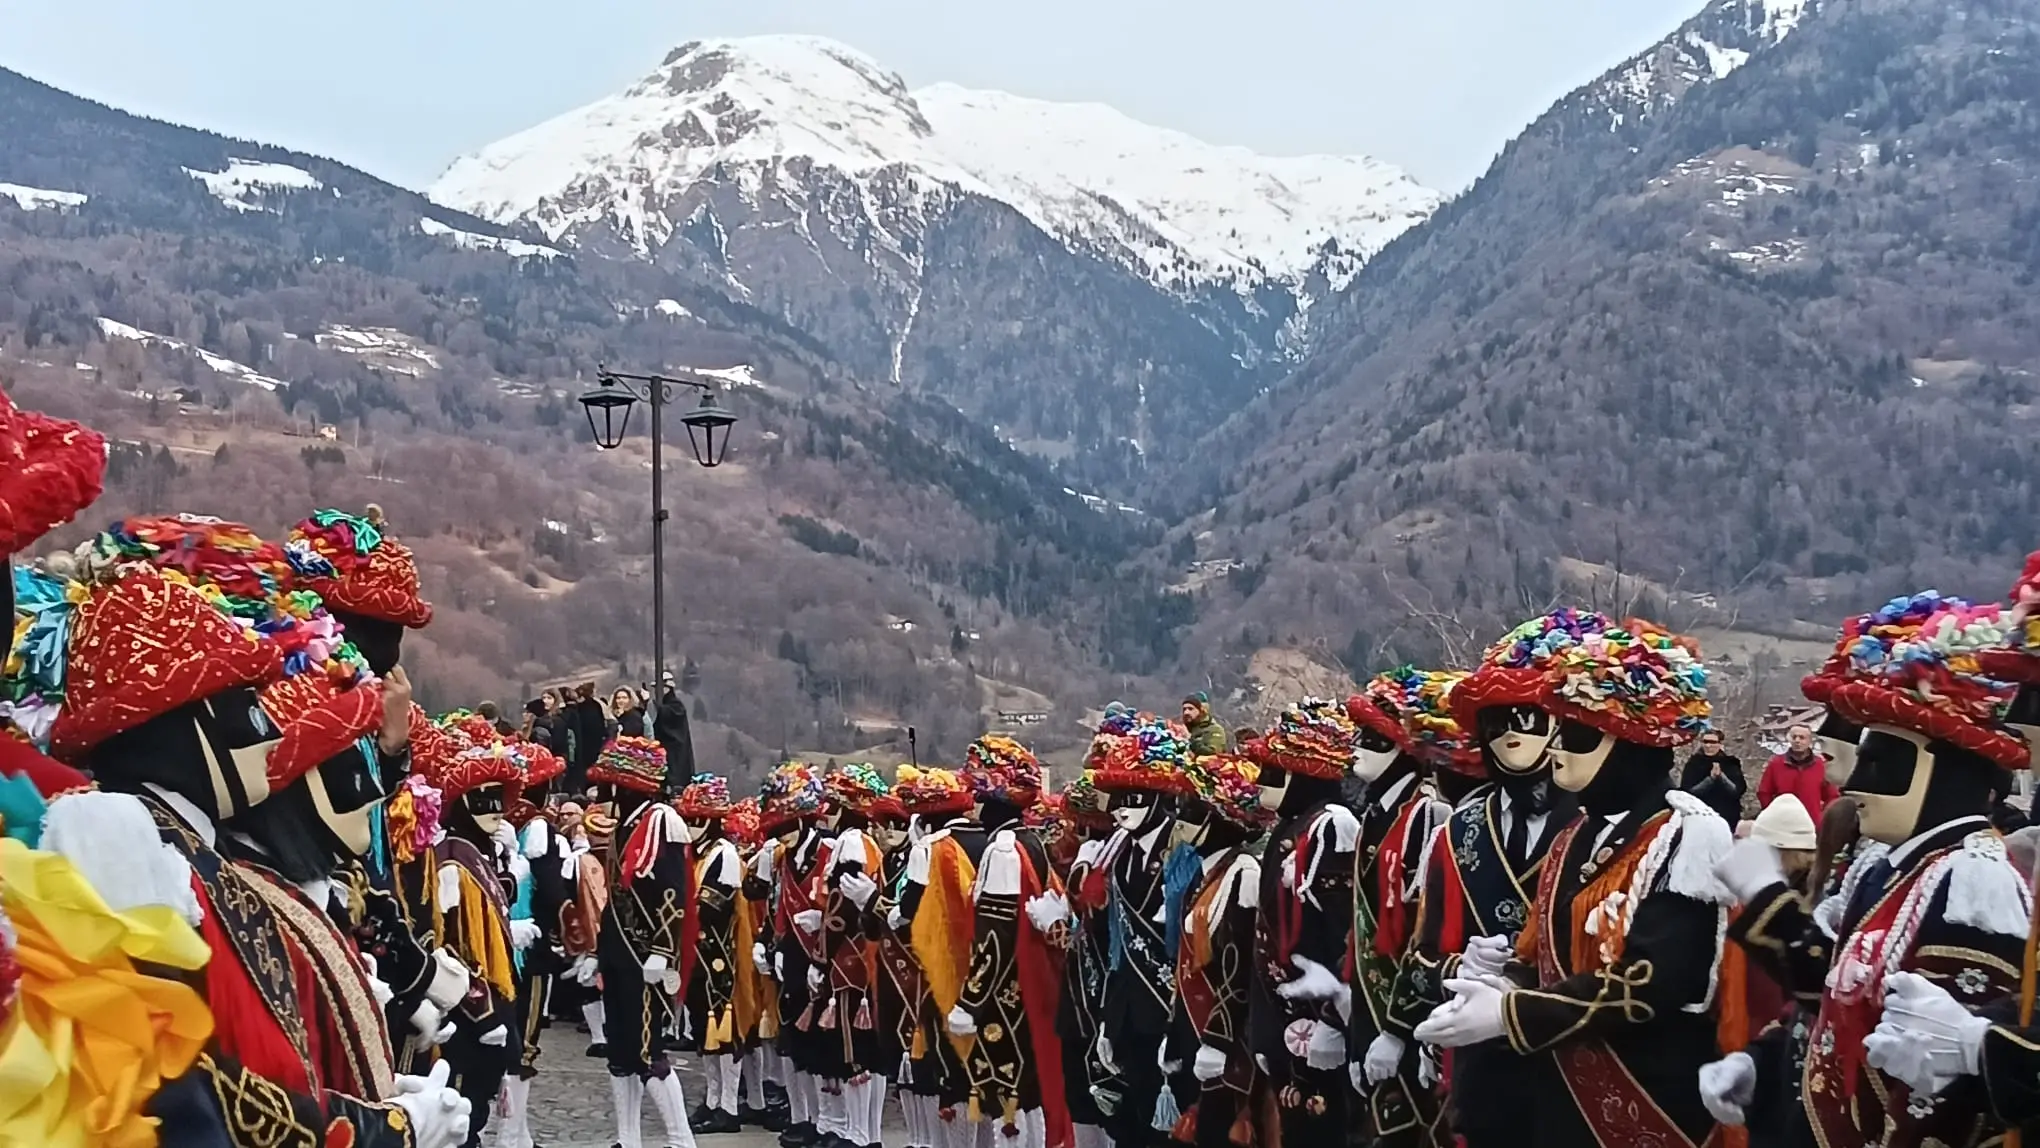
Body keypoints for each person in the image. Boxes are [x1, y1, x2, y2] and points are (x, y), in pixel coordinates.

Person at [1756, 723, 1839, 818]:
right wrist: (1771, 813)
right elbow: (1764, 792)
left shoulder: (1821, 766)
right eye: (1794, 737)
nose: (1797, 741)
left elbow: (1832, 795)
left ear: (1810, 741)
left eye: (1802, 737)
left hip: (1812, 823)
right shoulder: (1776, 764)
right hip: (1782, 821)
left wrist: (1823, 815)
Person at [1680, 729, 1747, 824]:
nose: (1708, 746)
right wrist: (1710, 779)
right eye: (1705, 742)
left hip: (1726, 815)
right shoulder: (1694, 763)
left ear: (1720, 744)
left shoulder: (1730, 764)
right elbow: (1688, 791)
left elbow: (1737, 791)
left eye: (1712, 742)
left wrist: (1721, 777)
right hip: (1700, 815)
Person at [1182, 692, 1229, 756]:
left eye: (1191, 709)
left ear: (1201, 710)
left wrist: (1190, 739)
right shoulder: (1185, 729)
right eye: (1184, 709)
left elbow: (1213, 753)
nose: (1186, 712)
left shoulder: (1214, 729)